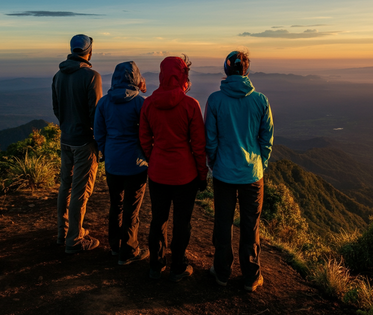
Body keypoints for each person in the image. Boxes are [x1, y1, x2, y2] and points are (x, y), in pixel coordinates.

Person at [204, 51, 274, 292]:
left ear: (226, 70)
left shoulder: (214, 100)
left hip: (224, 173)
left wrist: (213, 164)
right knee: (250, 225)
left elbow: (210, 140)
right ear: (246, 70)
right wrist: (260, 164)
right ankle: (251, 276)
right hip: (252, 175)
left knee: (223, 223)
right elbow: (267, 139)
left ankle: (222, 272)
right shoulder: (261, 100)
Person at [139, 56, 207, 282]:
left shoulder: (148, 103)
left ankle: (155, 265)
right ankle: (178, 266)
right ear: (183, 76)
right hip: (185, 175)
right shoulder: (191, 105)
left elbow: (144, 138)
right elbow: (198, 145)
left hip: (158, 173)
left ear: (162, 75)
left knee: (158, 219)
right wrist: (202, 174)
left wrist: (154, 157)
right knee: (182, 221)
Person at [94, 61, 150, 265]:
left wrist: (106, 151)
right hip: (136, 163)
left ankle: (115, 247)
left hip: (113, 162)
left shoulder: (104, 103)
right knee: (131, 209)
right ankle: (129, 250)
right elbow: (146, 135)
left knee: (116, 205)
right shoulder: (140, 103)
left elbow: (99, 133)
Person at [52, 34, 102, 254]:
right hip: (84, 141)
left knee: (66, 186)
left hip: (66, 139)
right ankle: (75, 239)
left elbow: (57, 109)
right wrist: (98, 141)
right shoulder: (91, 76)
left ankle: (63, 233)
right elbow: (96, 113)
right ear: (89, 51)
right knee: (81, 191)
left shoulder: (58, 76)